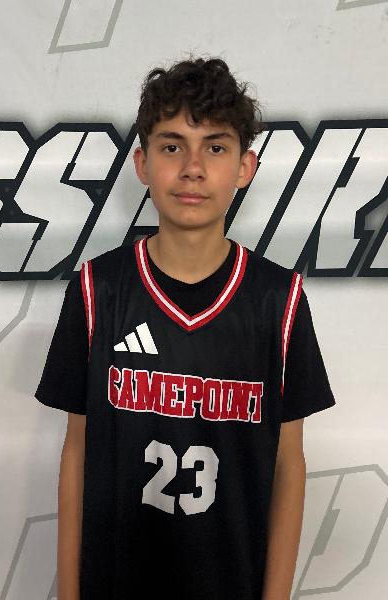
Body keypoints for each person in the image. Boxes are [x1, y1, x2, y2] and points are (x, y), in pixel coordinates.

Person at [35, 56, 335, 600]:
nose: (193, 168)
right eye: (172, 146)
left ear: (244, 167)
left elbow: (288, 463)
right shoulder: (97, 290)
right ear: (143, 163)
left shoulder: (279, 299)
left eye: (215, 148)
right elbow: (77, 449)